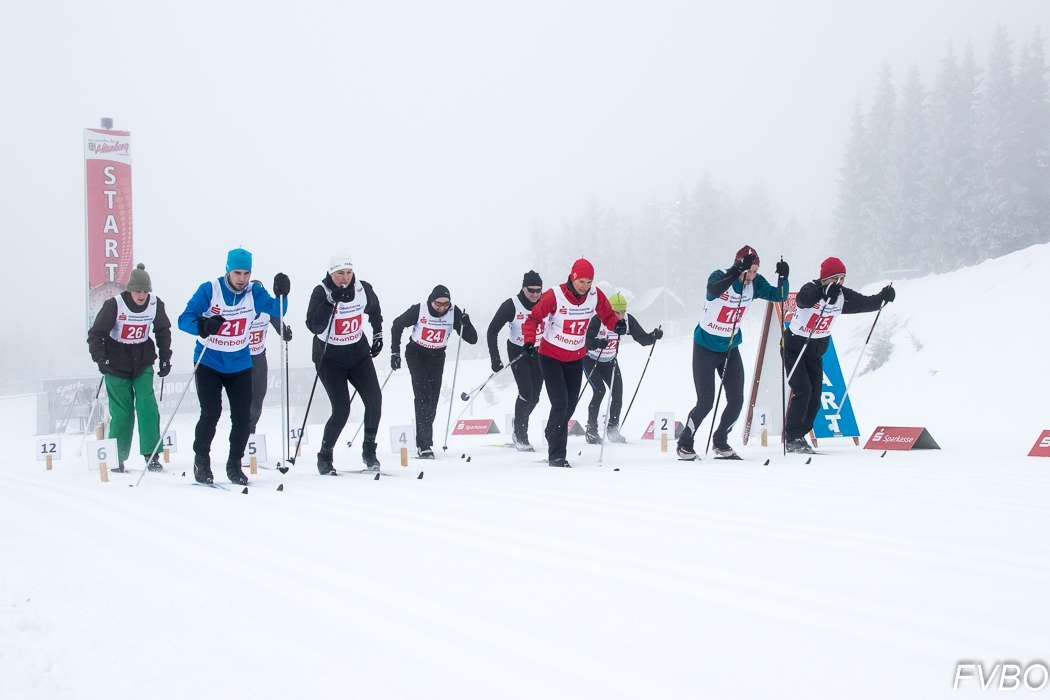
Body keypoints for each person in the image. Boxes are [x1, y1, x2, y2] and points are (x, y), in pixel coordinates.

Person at [178, 248, 289, 485]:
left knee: (242, 417)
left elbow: (277, 310)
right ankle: (202, 460)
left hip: (239, 362)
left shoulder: (253, 291)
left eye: (246, 273)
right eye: (237, 272)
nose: (242, 278)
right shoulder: (210, 289)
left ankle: (234, 464)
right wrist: (203, 325)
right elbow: (183, 319)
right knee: (211, 412)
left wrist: (282, 294)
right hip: (209, 361)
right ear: (228, 270)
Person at [677, 246, 789, 461]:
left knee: (736, 400)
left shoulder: (755, 283)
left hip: (730, 348)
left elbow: (779, 296)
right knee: (706, 402)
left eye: (755, 271)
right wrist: (736, 270)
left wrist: (784, 278)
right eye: (749, 271)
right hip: (705, 347)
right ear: (739, 266)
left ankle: (720, 441)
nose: (752, 276)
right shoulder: (720, 276)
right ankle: (685, 443)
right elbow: (713, 291)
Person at [782, 257, 895, 454]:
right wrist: (823, 292)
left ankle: (801, 434)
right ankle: (792, 437)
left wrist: (882, 298)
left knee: (815, 397)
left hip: (815, 352)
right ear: (825, 278)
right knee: (803, 390)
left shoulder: (842, 296)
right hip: (795, 348)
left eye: (842, 278)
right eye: (835, 278)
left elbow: (864, 303)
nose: (839, 283)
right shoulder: (811, 288)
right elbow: (802, 300)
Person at [522, 258, 624, 468]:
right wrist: (529, 341)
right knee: (560, 403)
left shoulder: (595, 295)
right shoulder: (555, 295)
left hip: (576, 357)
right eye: (581, 281)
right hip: (550, 355)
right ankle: (557, 455)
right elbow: (533, 318)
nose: (585, 286)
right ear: (573, 277)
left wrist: (617, 325)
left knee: (570, 404)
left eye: (589, 281)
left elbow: (607, 315)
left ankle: (552, 432)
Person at [86, 263, 172, 473]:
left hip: (142, 361)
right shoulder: (114, 305)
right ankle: (117, 457)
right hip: (116, 364)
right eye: (137, 291)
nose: (142, 296)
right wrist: (100, 358)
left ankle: (151, 455)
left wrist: (165, 357)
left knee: (147, 406)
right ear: (130, 290)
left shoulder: (155, 304)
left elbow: (163, 330)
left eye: (145, 291)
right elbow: (96, 334)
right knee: (123, 413)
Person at [305, 255, 385, 474]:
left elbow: (375, 311)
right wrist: (330, 302)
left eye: (349, 272)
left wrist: (378, 334)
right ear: (331, 273)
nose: (345, 278)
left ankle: (369, 451)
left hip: (358, 355)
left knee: (375, 401)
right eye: (340, 273)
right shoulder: (321, 291)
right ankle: (325, 456)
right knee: (342, 410)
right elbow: (313, 326)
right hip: (330, 359)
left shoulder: (362, 288)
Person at [389, 285, 477, 458]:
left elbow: (472, 339)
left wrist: (466, 324)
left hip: (437, 357)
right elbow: (397, 325)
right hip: (416, 354)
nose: (442, 308)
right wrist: (395, 352)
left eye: (446, 304)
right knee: (424, 395)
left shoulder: (453, 311)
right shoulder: (419, 309)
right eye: (438, 304)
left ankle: (424, 439)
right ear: (431, 301)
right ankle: (424, 444)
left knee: (433, 399)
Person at [582, 293, 662, 444]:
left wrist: (654, 336)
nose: (620, 316)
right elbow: (586, 342)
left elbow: (642, 338)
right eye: (616, 312)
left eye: (623, 312)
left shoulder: (628, 320)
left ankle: (613, 429)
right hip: (591, 360)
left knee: (617, 393)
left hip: (610, 361)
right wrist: (598, 343)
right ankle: (591, 430)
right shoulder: (598, 319)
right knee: (599, 391)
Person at [486, 270, 545, 451]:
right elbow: (492, 330)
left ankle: (518, 419)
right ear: (523, 288)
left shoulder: (546, 302)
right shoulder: (511, 305)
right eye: (531, 290)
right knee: (526, 392)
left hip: (539, 351)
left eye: (538, 290)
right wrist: (495, 358)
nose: (535, 294)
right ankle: (520, 435)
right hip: (518, 351)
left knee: (535, 397)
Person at [247, 286, 293, 435]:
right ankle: (242, 431)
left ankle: (250, 430)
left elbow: (280, 327)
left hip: (258, 359)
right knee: (242, 402)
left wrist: (286, 333)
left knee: (257, 402)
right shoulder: (242, 311)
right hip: (240, 361)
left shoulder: (267, 311)